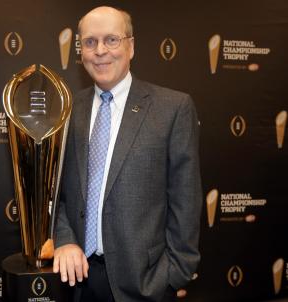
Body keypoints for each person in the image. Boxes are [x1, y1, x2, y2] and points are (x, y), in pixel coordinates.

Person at [53, 6, 202, 302]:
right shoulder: (68, 110)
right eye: (90, 42)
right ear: (80, 50)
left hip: (146, 285)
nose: (100, 51)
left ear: (131, 46)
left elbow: (186, 201)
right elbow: (58, 194)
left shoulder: (172, 108)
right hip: (76, 282)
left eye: (111, 39)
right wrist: (65, 240)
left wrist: (173, 276)